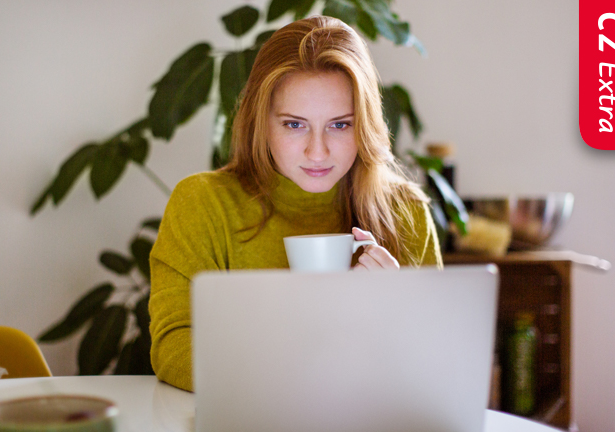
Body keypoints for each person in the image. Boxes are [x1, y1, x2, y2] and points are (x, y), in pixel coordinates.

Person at [148, 15, 442, 392]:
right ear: (261, 122)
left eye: (340, 125)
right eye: (293, 124)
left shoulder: (406, 212)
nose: (317, 151)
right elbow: (173, 347)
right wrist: (292, 378)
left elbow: (434, 368)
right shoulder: (203, 204)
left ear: (365, 124)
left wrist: (393, 315)